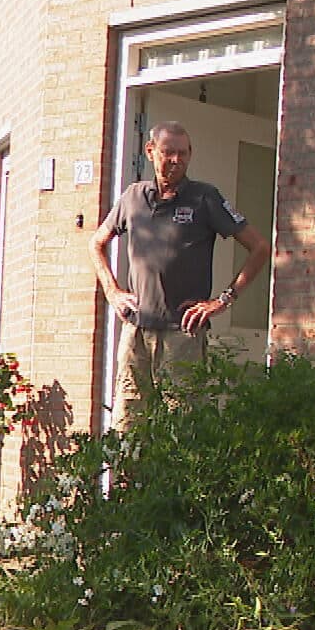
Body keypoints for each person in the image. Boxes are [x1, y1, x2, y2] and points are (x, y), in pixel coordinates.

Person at [90, 120, 272, 428]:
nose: (176, 160)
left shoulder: (205, 198)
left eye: (183, 153)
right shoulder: (133, 197)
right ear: (150, 151)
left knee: (183, 425)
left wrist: (223, 300)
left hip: (183, 334)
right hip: (136, 332)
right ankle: (129, 464)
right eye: (168, 152)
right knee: (128, 424)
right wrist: (112, 291)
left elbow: (260, 247)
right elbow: (96, 243)